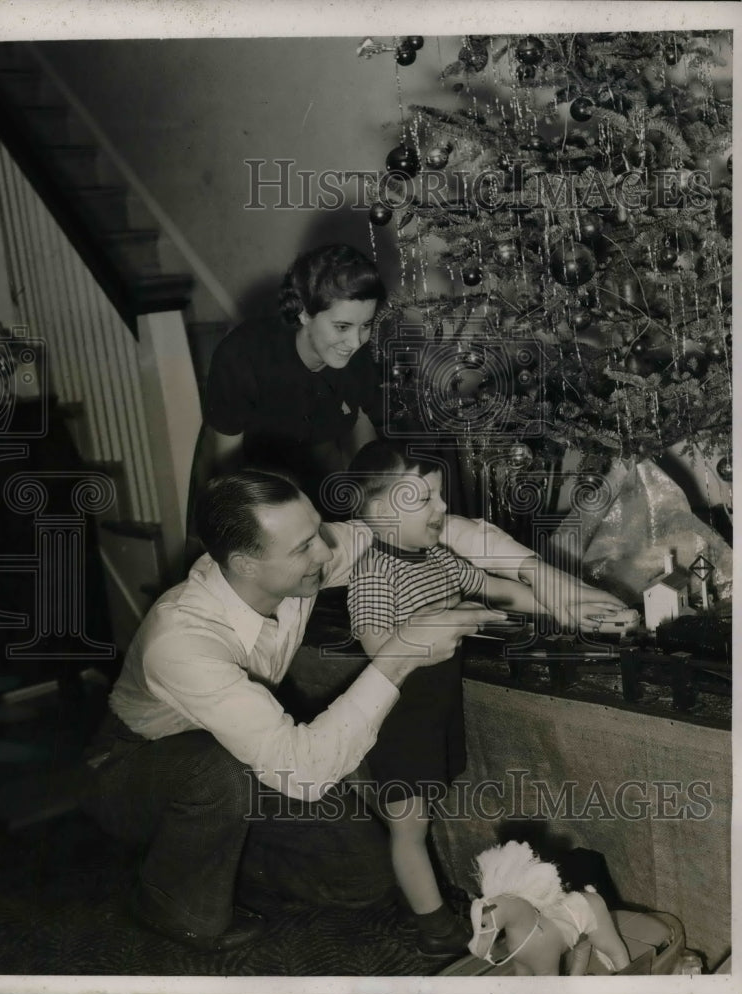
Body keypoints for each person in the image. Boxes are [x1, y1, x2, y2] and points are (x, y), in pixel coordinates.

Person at [81, 469, 626, 954]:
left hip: (247, 757)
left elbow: (446, 528)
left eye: (318, 530)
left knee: (362, 880)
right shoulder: (181, 640)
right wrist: (401, 653)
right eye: (302, 550)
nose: (324, 553)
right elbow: (308, 769)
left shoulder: (289, 558)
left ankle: (227, 849)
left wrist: (546, 578)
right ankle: (172, 904)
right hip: (135, 768)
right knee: (217, 770)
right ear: (245, 564)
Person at [344, 441, 547, 956]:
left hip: (433, 713)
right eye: (424, 499)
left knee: (421, 814)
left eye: (440, 496)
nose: (441, 509)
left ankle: (431, 901)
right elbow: (379, 649)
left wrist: (556, 602)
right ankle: (434, 927)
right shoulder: (373, 574)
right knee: (408, 828)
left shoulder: (438, 560)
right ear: (378, 512)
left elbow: (495, 589)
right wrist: (447, 619)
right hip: (398, 721)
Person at [194, 243, 386, 520]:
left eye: (366, 325)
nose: (355, 342)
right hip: (246, 480)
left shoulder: (357, 359)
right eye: (342, 327)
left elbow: (365, 454)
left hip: (319, 473)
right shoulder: (243, 355)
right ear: (304, 312)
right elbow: (226, 469)